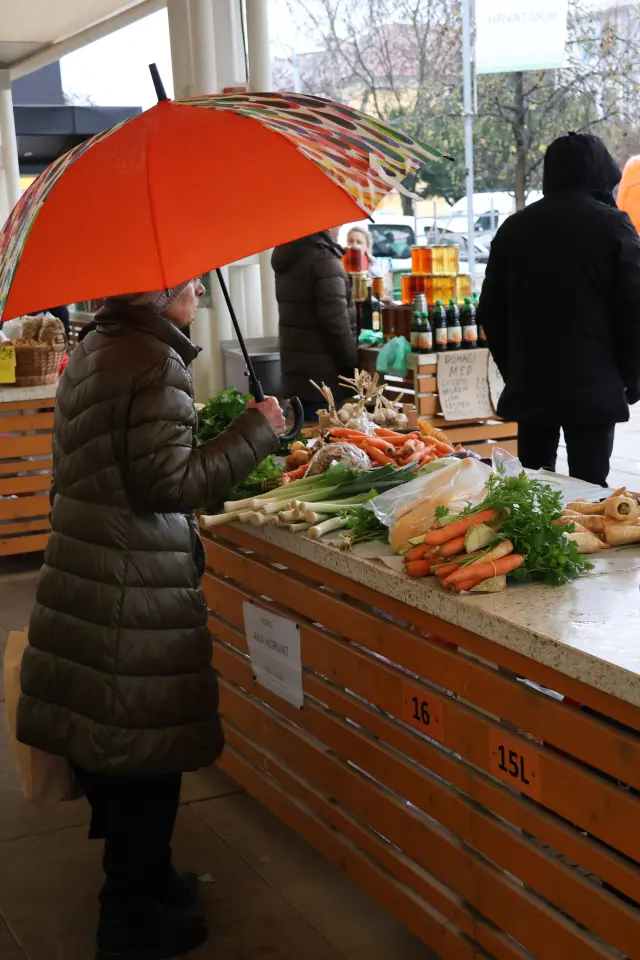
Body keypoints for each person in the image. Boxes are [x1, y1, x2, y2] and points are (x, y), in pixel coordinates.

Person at [16, 277, 286, 960]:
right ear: (157, 292)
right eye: (189, 279)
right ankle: (128, 919)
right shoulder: (154, 362)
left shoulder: (99, 345)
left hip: (88, 572)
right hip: (132, 586)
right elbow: (171, 483)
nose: (198, 287)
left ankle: (150, 879)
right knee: (145, 756)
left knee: (112, 747)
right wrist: (258, 431)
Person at [477, 132, 640, 487]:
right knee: (591, 493)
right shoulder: (613, 226)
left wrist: (514, 368)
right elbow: (634, 310)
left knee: (531, 486)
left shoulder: (514, 229)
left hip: (532, 384)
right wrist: (632, 377)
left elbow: (489, 310)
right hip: (594, 385)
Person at [273, 227, 358, 421]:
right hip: (325, 380)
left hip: (298, 376)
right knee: (330, 446)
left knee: (308, 442)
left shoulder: (291, 254)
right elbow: (336, 323)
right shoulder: (323, 259)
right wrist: (352, 367)